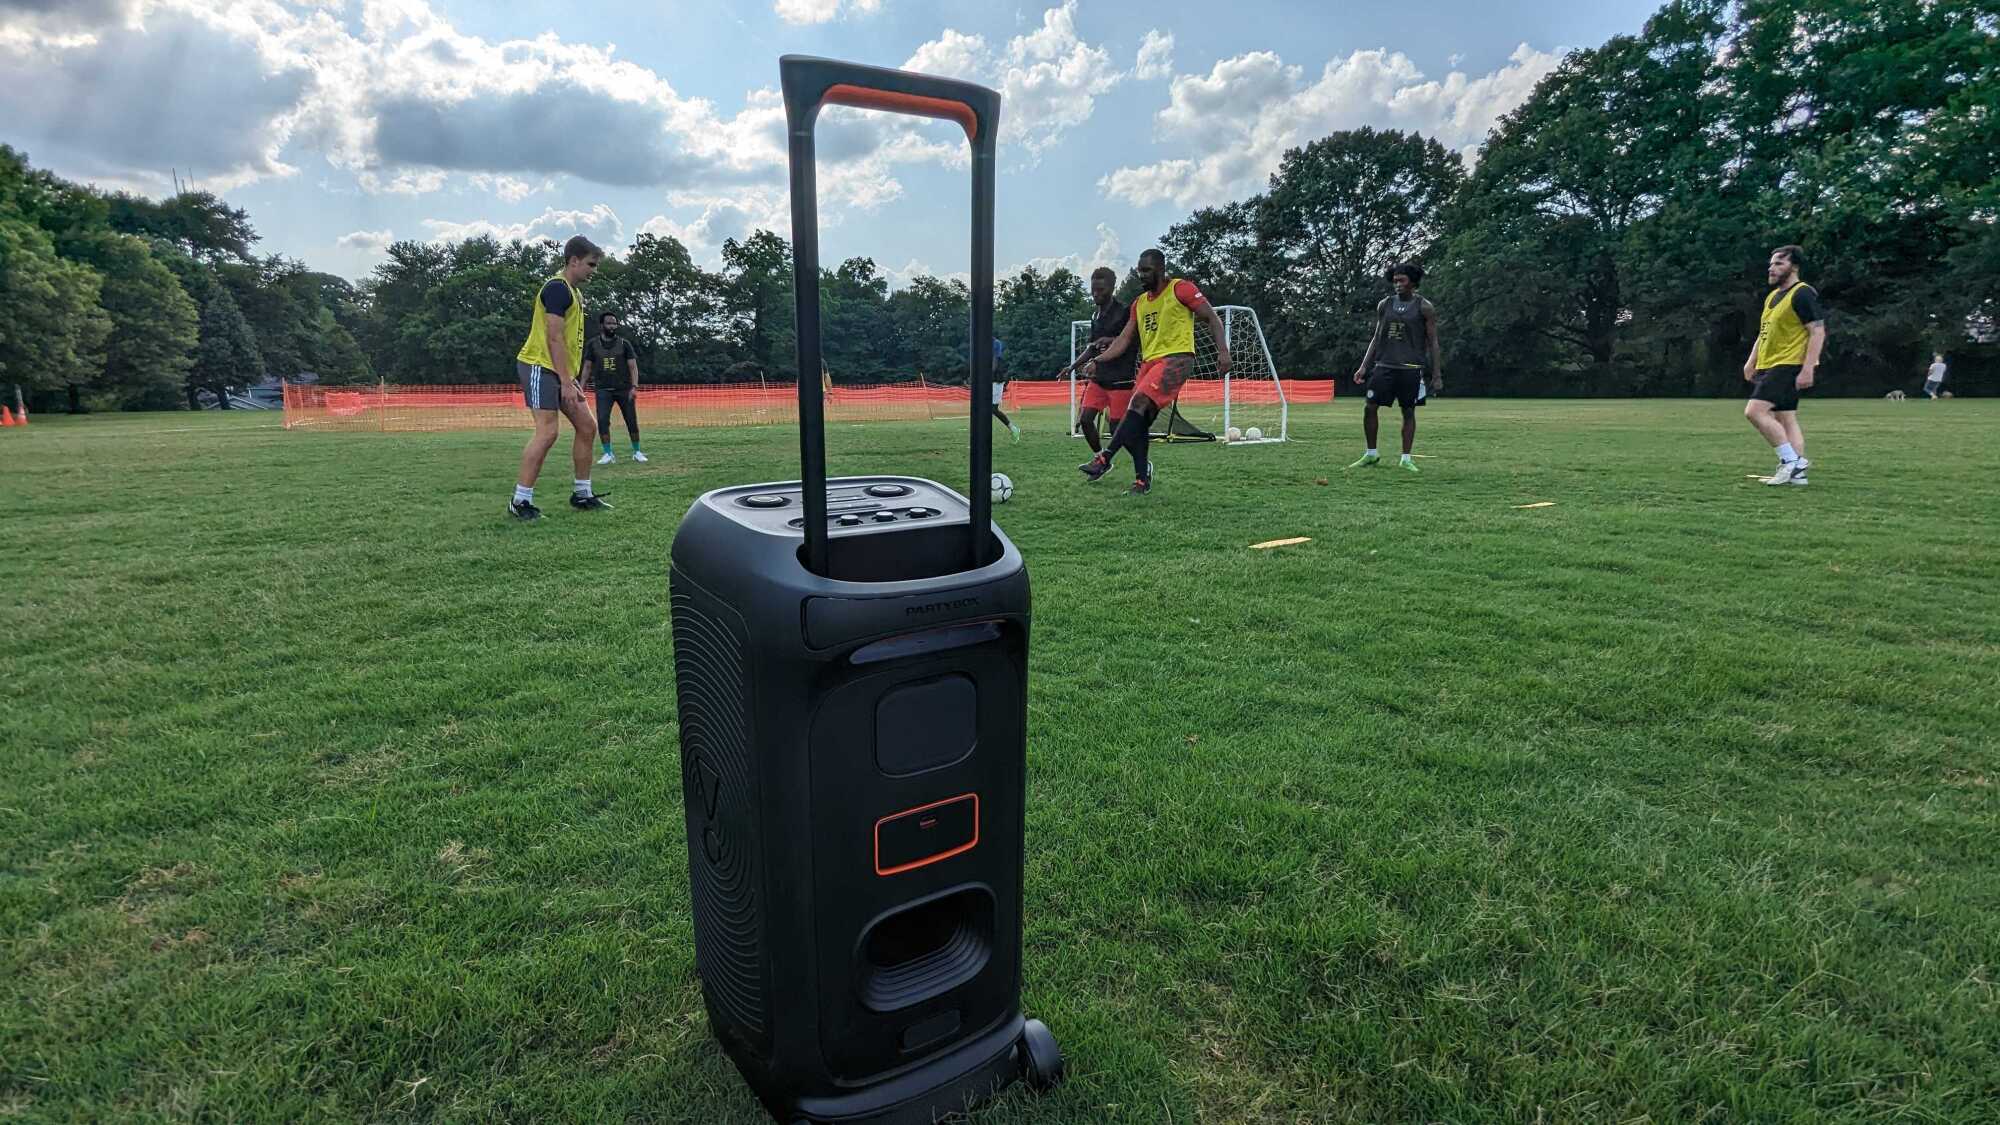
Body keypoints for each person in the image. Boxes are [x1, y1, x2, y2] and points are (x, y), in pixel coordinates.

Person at [1080, 249, 1228, 494]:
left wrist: (1223, 351)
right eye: (1140, 271)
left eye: (1146, 270)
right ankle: (1141, 480)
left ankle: (1104, 458)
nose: (1142, 275)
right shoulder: (1139, 303)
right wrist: (1099, 360)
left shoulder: (1181, 289)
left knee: (1136, 403)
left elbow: (1212, 318)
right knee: (1136, 424)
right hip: (1149, 365)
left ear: (1161, 269)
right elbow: (1124, 339)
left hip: (1176, 358)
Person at [510, 235, 611, 519]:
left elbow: (567, 342)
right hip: (539, 366)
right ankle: (520, 502)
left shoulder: (575, 293)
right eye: (591, 264)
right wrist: (565, 381)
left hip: (561, 371)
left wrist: (570, 378)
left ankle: (582, 494)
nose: (594, 270)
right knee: (548, 431)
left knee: (587, 426)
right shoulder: (557, 289)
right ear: (574, 260)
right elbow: (553, 338)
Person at [1743, 245, 1827, 487]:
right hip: (1770, 364)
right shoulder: (1772, 297)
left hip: (1788, 363)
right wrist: (1752, 361)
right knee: (1785, 418)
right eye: (1771, 264)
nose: (1772, 268)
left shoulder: (1802, 293)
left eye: (1779, 263)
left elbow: (1817, 331)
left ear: (1794, 267)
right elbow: (1764, 333)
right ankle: (1797, 475)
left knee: (1755, 412)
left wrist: (1808, 367)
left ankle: (1790, 461)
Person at [1347, 262, 1441, 473]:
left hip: (1410, 368)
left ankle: (1406, 458)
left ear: (1413, 282)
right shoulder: (1385, 304)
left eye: (1402, 280)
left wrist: (1436, 374)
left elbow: (1433, 342)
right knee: (1369, 407)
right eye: (1395, 280)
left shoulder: (1424, 307)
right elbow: (1376, 337)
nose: (1397, 284)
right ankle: (1371, 454)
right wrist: (1363, 367)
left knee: (1408, 411)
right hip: (1384, 365)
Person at [1070, 266, 1135, 453]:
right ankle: (1101, 459)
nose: (1095, 294)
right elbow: (1093, 347)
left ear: (1112, 288)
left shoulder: (1124, 312)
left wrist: (1112, 340)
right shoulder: (1095, 315)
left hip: (1121, 379)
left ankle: (1142, 463)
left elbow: (1133, 340)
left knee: (1117, 429)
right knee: (1085, 420)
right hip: (1099, 378)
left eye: (1100, 290)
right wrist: (1073, 366)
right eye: (1093, 290)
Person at [585, 312, 646, 464]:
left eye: (614, 323)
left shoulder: (624, 344)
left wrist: (634, 386)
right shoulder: (593, 344)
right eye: (609, 323)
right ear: (602, 325)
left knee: (631, 420)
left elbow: (633, 367)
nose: (612, 326)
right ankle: (608, 454)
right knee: (602, 420)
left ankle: (637, 451)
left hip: (624, 389)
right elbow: (587, 367)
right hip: (603, 389)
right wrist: (580, 386)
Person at [989, 336, 1020, 442]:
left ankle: (1013, 428)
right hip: (986, 380)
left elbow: (995, 361)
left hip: (996, 380)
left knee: (993, 409)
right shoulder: (981, 344)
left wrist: (989, 375)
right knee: (983, 408)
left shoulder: (996, 343)